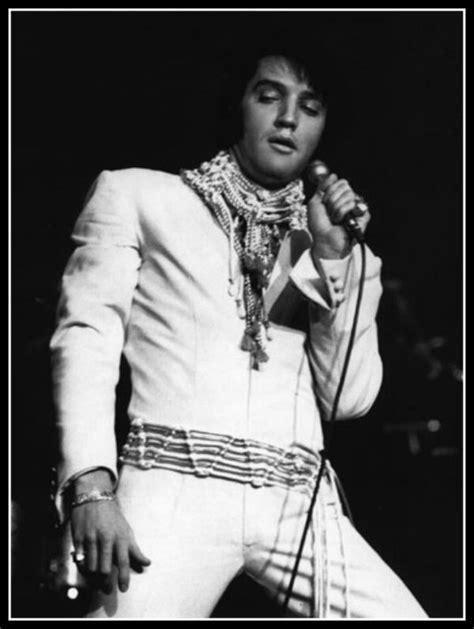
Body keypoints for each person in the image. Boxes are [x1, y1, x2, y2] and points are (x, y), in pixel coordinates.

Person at [49, 45, 428, 619]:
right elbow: (86, 338)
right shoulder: (142, 197)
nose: (288, 118)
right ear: (237, 105)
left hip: (296, 504)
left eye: (311, 106)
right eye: (269, 96)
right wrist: (90, 485)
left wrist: (330, 259)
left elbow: (346, 400)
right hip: (174, 488)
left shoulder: (336, 247)